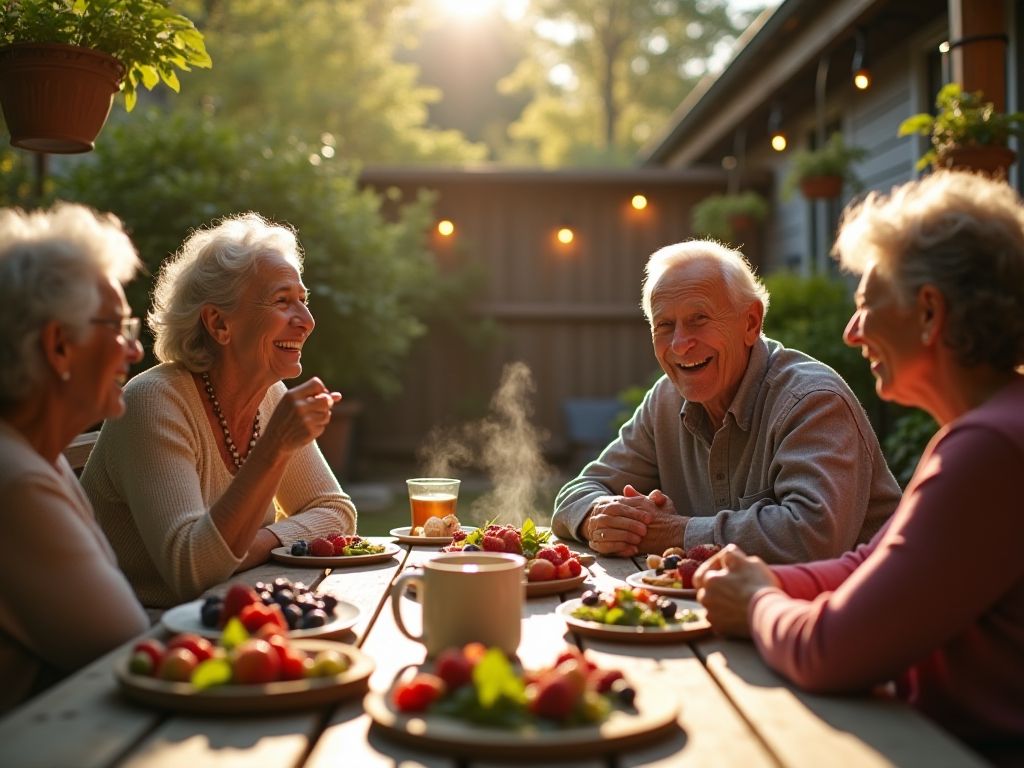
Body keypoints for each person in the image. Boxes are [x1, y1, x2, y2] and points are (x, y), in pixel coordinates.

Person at [694, 170, 1024, 764]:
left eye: (868, 304)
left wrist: (757, 604)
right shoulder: (985, 430)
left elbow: (831, 652)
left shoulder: (992, 449)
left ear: (929, 313)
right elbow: (870, 566)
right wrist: (753, 578)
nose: (851, 332)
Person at [552, 239, 900, 563]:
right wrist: (600, 517)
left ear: (751, 322)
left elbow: (813, 536)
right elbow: (575, 493)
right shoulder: (665, 400)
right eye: (664, 325)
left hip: (854, 619)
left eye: (698, 319)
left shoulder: (812, 401)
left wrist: (673, 532)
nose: (679, 344)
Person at [82, 212, 357, 608]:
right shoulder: (153, 402)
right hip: (137, 635)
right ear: (218, 323)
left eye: (303, 300)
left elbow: (335, 512)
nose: (307, 322)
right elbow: (192, 571)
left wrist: (252, 547)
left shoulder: (270, 395)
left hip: (223, 615)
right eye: (283, 301)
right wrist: (274, 447)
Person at [0, 203, 150, 713]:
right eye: (118, 326)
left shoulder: (37, 453)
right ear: (59, 345)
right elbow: (128, 651)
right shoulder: (14, 483)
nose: (135, 350)